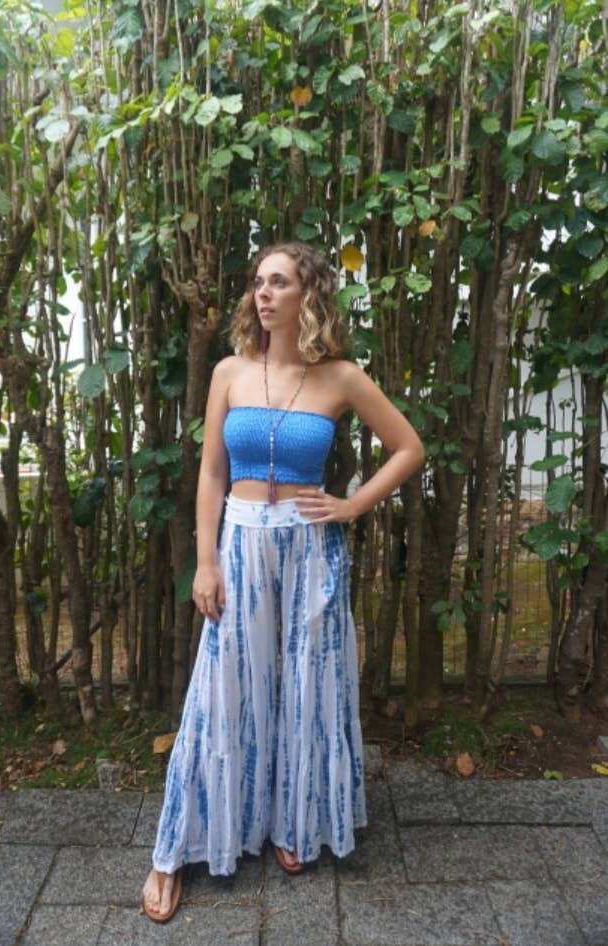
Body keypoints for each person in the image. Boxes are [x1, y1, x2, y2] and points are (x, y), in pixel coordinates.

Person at [142, 241, 425, 922]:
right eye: (258, 282)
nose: (262, 293)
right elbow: (212, 473)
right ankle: (173, 852)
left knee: (306, 689)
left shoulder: (342, 377)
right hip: (240, 545)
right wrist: (206, 561)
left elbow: (409, 447)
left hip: (311, 551)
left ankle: (292, 823)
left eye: (278, 282)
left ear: (310, 294)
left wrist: (352, 505)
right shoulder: (230, 372)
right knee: (221, 691)